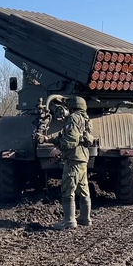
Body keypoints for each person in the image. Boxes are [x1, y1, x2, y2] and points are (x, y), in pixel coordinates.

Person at [43, 96, 92, 230]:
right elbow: (66, 136)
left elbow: (71, 140)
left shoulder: (73, 118)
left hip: (73, 159)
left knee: (67, 189)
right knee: (83, 188)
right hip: (82, 157)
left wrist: (58, 149)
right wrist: (48, 139)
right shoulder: (85, 119)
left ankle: (69, 221)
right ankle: (85, 218)